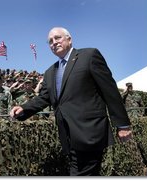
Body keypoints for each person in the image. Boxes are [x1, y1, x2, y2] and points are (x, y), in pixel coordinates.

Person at [10, 27, 132, 176]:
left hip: (90, 131)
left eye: (57, 38)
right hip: (68, 135)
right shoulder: (50, 72)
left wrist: (122, 124)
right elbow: (43, 97)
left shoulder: (89, 56)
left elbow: (110, 90)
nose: (54, 43)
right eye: (50, 41)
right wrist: (24, 108)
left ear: (69, 39)